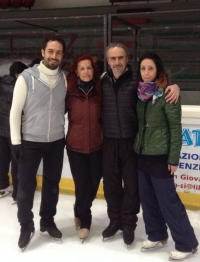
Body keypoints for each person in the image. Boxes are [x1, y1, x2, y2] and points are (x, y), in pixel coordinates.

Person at [101, 42, 180, 247]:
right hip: (109, 142)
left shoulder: (137, 83)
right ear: (108, 60)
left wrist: (174, 86)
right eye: (113, 58)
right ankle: (115, 221)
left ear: (126, 60)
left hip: (131, 142)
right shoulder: (102, 81)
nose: (117, 62)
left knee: (132, 188)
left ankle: (128, 224)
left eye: (120, 58)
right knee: (111, 186)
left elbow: (160, 85)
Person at [134, 52, 198, 260]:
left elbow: (175, 128)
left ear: (157, 70)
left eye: (150, 68)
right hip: (142, 154)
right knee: (148, 199)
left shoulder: (168, 94)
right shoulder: (140, 94)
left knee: (168, 201)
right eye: (143, 68)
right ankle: (156, 233)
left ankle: (187, 243)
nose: (146, 73)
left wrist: (173, 158)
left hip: (160, 157)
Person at [10, 35, 67, 250]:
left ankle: (47, 221)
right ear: (43, 52)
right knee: (25, 186)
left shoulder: (64, 77)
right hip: (30, 142)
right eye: (50, 51)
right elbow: (15, 111)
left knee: (52, 184)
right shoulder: (27, 78)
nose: (54, 56)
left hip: (55, 141)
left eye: (58, 52)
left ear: (62, 55)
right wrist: (16, 142)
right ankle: (26, 226)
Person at [66, 54, 103, 242]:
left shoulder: (100, 91)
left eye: (88, 68)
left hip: (97, 147)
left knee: (93, 185)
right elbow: (53, 111)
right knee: (82, 185)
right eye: (82, 68)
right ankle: (85, 221)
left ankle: (78, 208)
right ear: (76, 72)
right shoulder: (69, 93)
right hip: (75, 147)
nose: (86, 72)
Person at [0, 61, 27, 201]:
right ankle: (17, 192)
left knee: (3, 158)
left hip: (1, 128)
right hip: (14, 128)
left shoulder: (1, 83)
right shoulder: (19, 86)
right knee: (17, 160)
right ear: (17, 74)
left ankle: (3, 185)